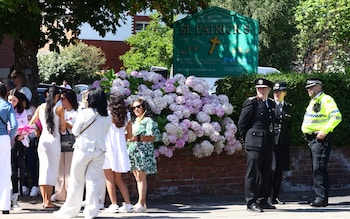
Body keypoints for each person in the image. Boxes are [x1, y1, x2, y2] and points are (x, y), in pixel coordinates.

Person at [53, 87, 111, 219]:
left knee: (76, 180)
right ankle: (91, 211)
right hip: (100, 150)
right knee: (93, 181)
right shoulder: (107, 116)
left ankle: (71, 210)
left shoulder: (85, 113)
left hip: (83, 148)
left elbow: (75, 131)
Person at [301, 78, 342, 207]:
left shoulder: (326, 99)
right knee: (317, 168)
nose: (309, 89)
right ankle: (319, 196)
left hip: (320, 139)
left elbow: (337, 116)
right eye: (308, 87)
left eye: (312, 87)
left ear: (319, 87)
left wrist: (325, 131)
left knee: (319, 168)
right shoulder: (314, 100)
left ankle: (321, 198)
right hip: (313, 139)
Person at [238, 78, 276, 213]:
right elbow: (242, 124)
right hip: (254, 142)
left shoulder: (271, 103)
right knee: (252, 173)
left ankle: (263, 200)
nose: (261, 90)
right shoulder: (251, 103)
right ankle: (251, 202)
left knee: (266, 172)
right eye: (259, 88)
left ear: (269, 90)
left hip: (267, 141)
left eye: (264, 88)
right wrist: (246, 140)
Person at [29, 85, 66, 209]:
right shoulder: (59, 108)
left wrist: (38, 130)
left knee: (43, 169)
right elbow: (63, 128)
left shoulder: (40, 107)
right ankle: (48, 201)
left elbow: (31, 123)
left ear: (46, 95)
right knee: (52, 170)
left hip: (43, 141)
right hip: (54, 140)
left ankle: (44, 199)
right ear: (57, 96)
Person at [127, 97, 161, 212]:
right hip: (133, 151)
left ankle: (141, 202)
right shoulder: (134, 121)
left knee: (141, 178)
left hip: (143, 153)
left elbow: (153, 137)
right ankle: (142, 202)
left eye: (138, 106)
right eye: (134, 107)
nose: (136, 109)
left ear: (144, 107)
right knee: (137, 177)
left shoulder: (148, 121)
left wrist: (139, 138)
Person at [103, 94, 133, 213]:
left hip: (107, 147)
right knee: (118, 179)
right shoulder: (127, 117)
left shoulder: (106, 115)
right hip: (120, 148)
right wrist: (120, 137)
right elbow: (130, 136)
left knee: (109, 178)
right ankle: (128, 204)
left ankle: (114, 204)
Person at [51, 89, 78, 202]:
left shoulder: (77, 113)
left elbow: (76, 129)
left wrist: (66, 124)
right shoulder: (60, 111)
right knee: (60, 169)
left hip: (71, 141)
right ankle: (60, 193)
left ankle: (70, 193)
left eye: (63, 99)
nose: (61, 101)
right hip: (59, 141)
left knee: (70, 169)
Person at [270, 81, 292, 205]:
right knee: (269, 170)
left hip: (283, 142)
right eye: (275, 92)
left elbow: (289, 125)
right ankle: (266, 196)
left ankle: (275, 197)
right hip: (271, 142)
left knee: (279, 170)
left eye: (280, 91)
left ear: (285, 93)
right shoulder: (269, 105)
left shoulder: (289, 107)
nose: (277, 94)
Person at [8, 89, 29, 211]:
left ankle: (15, 198)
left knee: (16, 171)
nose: (12, 102)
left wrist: (22, 135)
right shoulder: (5, 109)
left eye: (14, 100)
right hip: (7, 143)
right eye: (10, 100)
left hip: (18, 144)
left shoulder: (22, 112)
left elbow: (26, 126)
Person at [0, 82, 18, 215]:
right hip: (4, 139)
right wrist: (9, 136)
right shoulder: (8, 105)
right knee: (5, 172)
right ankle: (5, 205)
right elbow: (14, 126)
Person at [21, 94, 40, 197]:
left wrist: (30, 119)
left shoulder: (32, 109)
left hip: (31, 139)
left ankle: (34, 185)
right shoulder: (16, 111)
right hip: (21, 139)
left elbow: (38, 122)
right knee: (22, 164)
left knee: (32, 163)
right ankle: (24, 185)